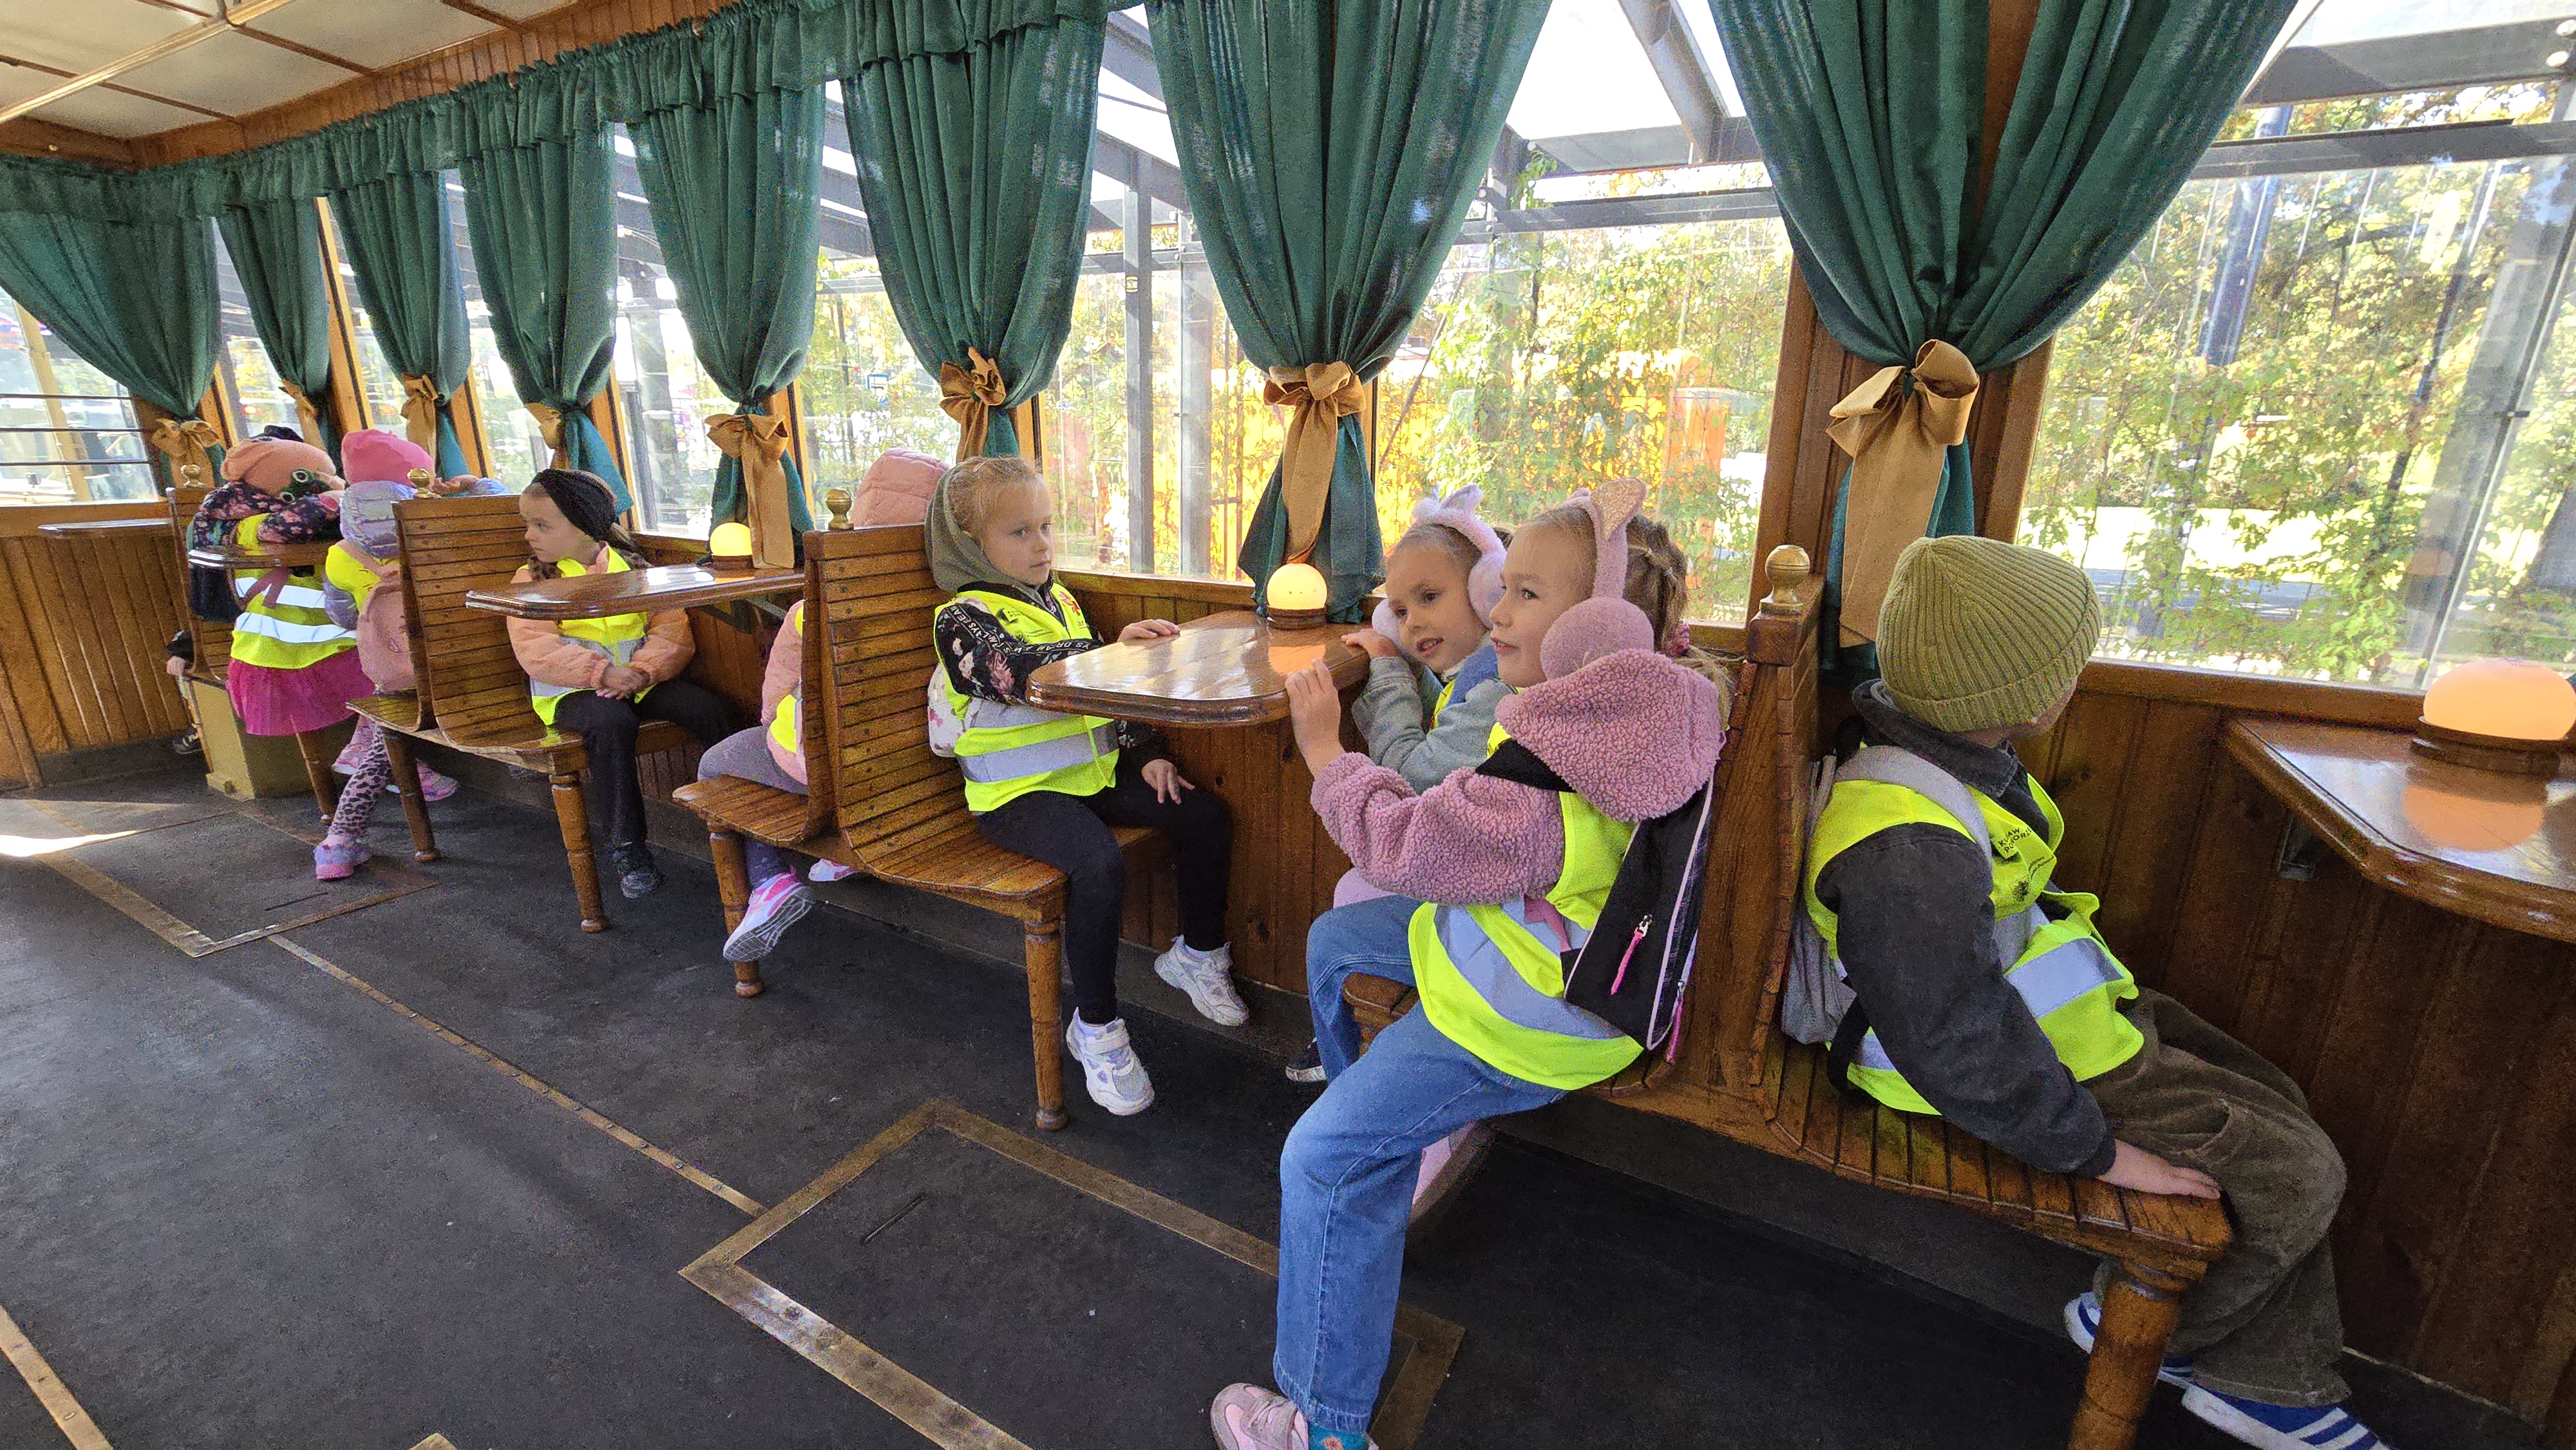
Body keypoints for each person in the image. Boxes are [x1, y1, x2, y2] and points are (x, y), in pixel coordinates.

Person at [1801, 534, 2387, 1450]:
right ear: (2028, 698)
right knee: (2302, 1173)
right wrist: (2097, 1152)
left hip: (2056, 1016)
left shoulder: (1937, 749)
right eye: (2068, 665)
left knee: (2277, 1102)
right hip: (2011, 1067)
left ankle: (2260, 1370)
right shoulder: (1906, 847)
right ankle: (2179, 1344)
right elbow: (1949, 1037)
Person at [1209, 478, 1729, 1450]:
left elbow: (1403, 844)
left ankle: (1324, 1426)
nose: (1498, 610)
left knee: (1319, 1161)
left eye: (1527, 593)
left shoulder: (1548, 769)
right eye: (1503, 586)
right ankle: (1381, 1125)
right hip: (1529, 946)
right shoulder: (1645, 704)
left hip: (1523, 1012)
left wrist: (1323, 749)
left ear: (1601, 627)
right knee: (1333, 943)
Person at [927, 455, 1239, 1116]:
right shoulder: (961, 618)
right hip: (1015, 797)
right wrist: (1110, 651)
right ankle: (1095, 1026)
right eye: (1019, 532)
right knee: (1097, 863)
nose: (1041, 544)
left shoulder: (1061, 600)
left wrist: (1145, 751)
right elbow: (1015, 672)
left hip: (1091, 777)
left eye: (1045, 526)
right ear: (970, 543)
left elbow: (1104, 693)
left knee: (1202, 814)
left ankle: (1198, 952)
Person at [1280, 485, 1511, 1084]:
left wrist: (1385, 674)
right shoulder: (1479, 674)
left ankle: (1360, 1061)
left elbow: (1412, 775)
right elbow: (1448, 719)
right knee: (1354, 886)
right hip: (1484, 878)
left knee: (1346, 908)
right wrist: (1401, 664)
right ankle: (1366, 1029)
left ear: (1489, 592)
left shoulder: (1501, 688)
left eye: (1429, 597)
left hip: (1502, 918)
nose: (1413, 623)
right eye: (1400, 611)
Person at [693, 449, 946, 961]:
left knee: (717, 764)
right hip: (920, 776)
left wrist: (772, 729)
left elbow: (774, 698)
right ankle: (846, 848)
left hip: (830, 776)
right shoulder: (952, 604)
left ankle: (770, 880)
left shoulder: (812, 612)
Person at [506, 468, 735, 899]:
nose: (529, 535)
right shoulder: (533, 580)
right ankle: (628, 846)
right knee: (612, 723)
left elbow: (672, 631)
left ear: (584, 526)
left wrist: (644, 671)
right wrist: (601, 673)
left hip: (640, 681)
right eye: (527, 524)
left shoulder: (636, 569)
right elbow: (536, 649)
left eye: (541, 525)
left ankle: (737, 815)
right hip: (572, 691)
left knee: (709, 708)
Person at [310, 431, 475, 880]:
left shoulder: (340, 555)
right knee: (386, 742)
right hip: (457, 664)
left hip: (392, 673)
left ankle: (340, 841)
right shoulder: (435, 534)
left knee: (386, 741)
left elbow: (341, 615)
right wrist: (476, 486)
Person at [187, 434, 367, 800]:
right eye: (321, 477)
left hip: (316, 641)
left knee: (390, 667)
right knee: (387, 673)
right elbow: (286, 526)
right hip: (287, 651)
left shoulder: (316, 524)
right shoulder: (247, 526)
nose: (333, 484)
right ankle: (375, 758)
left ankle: (372, 757)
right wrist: (338, 498)